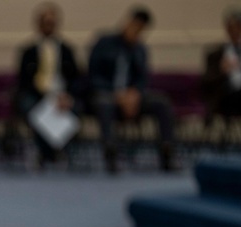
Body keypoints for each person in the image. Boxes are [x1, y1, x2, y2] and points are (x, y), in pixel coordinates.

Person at [88, 6, 178, 173]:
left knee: (162, 102)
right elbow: (93, 76)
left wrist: (135, 94)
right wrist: (117, 95)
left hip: (132, 98)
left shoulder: (140, 50)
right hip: (108, 94)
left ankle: (167, 152)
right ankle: (111, 153)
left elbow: (143, 79)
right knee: (103, 104)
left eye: (141, 29)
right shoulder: (104, 43)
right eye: (134, 26)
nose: (136, 31)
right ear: (127, 23)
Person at [15, 3, 83, 166]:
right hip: (36, 94)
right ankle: (45, 152)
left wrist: (66, 96)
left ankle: (59, 150)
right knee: (33, 108)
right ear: (38, 24)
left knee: (75, 107)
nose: (48, 26)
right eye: (45, 22)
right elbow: (23, 80)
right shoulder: (28, 51)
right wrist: (45, 95)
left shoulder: (67, 50)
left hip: (62, 95)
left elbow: (76, 78)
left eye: (52, 23)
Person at [202, 7, 241, 151]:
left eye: (238, 26)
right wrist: (222, 71)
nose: (234, 30)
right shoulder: (215, 53)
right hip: (226, 98)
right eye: (231, 27)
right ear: (226, 28)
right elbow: (205, 81)